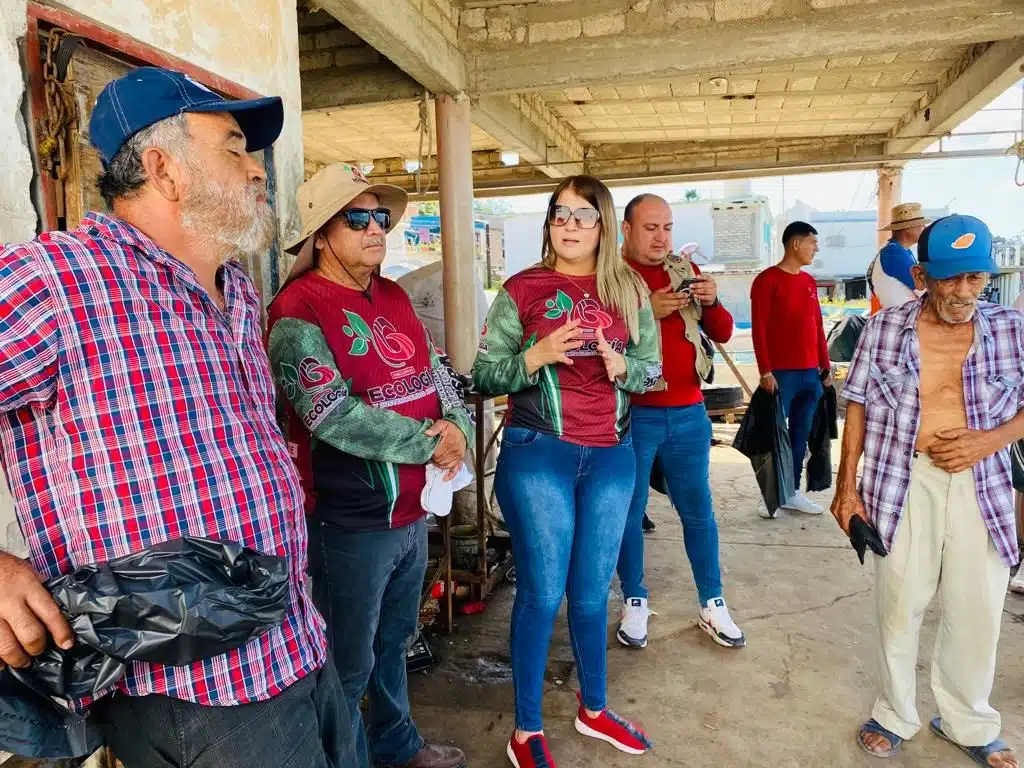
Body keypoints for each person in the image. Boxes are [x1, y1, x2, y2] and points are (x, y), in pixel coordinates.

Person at [0, 67, 355, 767]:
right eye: (234, 147)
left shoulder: (238, 294)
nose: (259, 169)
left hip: (297, 647)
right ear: (163, 169)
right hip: (195, 694)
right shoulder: (57, 281)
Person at [266, 163, 473, 768]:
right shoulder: (296, 311)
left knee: (395, 643)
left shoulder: (394, 294)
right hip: (351, 522)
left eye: (379, 216)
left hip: (412, 513)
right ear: (321, 235)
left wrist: (457, 424)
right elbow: (329, 413)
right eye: (356, 218)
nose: (374, 227)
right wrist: (425, 441)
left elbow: (437, 373)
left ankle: (396, 744)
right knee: (346, 663)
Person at [472, 175, 661, 768]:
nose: (569, 224)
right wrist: (537, 355)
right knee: (543, 591)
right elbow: (483, 373)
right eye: (560, 213)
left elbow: (654, 370)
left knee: (589, 595)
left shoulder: (629, 289)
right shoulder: (522, 288)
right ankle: (525, 730)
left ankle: (594, 708)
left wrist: (622, 366)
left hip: (610, 454)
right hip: (539, 453)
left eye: (583, 214)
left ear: (603, 223)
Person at [833, 215, 1023, 767]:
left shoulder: (1011, 328)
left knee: (977, 608)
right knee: (899, 603)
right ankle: (894, 713)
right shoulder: (884, 328)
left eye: (975, 277)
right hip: (902, 480)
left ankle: (968, 720)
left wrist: (988, 441)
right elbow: (859, 404)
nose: (964, 291)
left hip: (981, 484)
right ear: (921, 275)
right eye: (950, 279)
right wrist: (847, 488)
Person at [614, 194, 744, 651]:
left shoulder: (683, 272)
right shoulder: (609, 278)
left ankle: (713, 602)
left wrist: (711, 301)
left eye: (666, 227)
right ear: (626, 229)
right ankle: (634, 600)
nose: (660, 237)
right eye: (650, 227)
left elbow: (724, 332)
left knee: (698, 513)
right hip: (635, 413)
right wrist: (646, 309)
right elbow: (598, 340)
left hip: (689, 412)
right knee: (628, 514)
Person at [750, 221, 833, 517]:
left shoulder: (809, 282)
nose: (816, 249)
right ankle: (770, 494)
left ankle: (791, 492)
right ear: (795, 244)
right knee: (774, 436)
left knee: (801, 435)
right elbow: (758, 328)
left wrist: (825, 366)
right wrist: (765, 371)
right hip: (780, 375)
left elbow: (818, 326)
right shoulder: (767, 280)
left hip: (810, 373)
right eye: (812, 242)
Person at [868, 202, 929, 314]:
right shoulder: (894, 253)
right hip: (902, 319)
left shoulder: (898, 251)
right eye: (921, 225)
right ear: (908, 228)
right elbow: (923, 290)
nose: (924, 228)